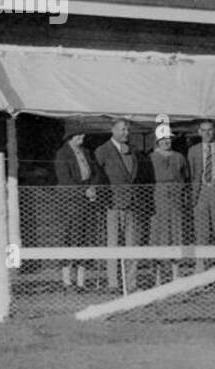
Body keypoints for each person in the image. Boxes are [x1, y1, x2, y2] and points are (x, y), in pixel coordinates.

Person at [95, 117, 147, 291]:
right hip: (113, 205)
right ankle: (113, 283)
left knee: (132, 245)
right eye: (123, 129)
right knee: (113, 245)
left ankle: (130, 283)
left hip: (132, 205)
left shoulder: (132, 151)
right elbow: (97, 176)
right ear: (113, 130)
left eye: (127, 130)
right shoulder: (103, 150)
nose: (126, 133)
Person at [53, 120, 102, 290]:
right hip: (70, 202)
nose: (83, 136)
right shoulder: (62, 154)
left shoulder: (86, 152)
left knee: (85, 238)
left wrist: (93, 186)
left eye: (83, 134)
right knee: (70, 238)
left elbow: (95, 172)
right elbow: (64, 180)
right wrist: (83, 191)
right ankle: (67, 280)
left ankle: (81, 280)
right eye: (79, 134)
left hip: (87, 202)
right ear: (71, 137)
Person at [187, 120, 215, 271]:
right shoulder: (193, 151)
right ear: (199, 132)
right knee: (201, 231)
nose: (207, 133)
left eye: (210, 130)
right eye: (204, 130)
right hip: (200, 192)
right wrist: (193, 195)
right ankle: (201, 269)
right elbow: (192, 174)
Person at [149, 124, 189, 285]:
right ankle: (158, 276)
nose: (166, 142)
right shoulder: (151, 157)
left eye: (168, 139)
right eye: (163, 139)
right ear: (157, 140)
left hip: (176, 198)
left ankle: (175, 274)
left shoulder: (179, 157)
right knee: (159, 234)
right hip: (159, 198)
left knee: (176, 233)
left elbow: (184, 176)